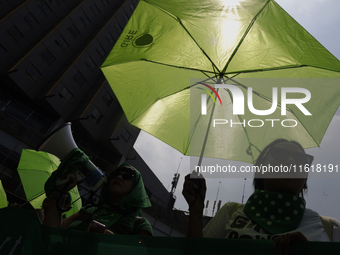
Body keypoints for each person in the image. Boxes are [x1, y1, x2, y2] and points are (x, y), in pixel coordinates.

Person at [182, 139, 340, 252]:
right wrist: (196, 210)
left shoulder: (330, 228)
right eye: (279, 154)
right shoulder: (230, 212)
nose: (291, 161)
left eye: (300, 159)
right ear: (261, 168)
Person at [43, 163, 153, 236]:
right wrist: (60, 191)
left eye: (127, 177)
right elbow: (53, 234)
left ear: (136, 189)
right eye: (116, 175)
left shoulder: (139, 224)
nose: (119, 177)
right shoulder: (87, 210)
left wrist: (115, 246)